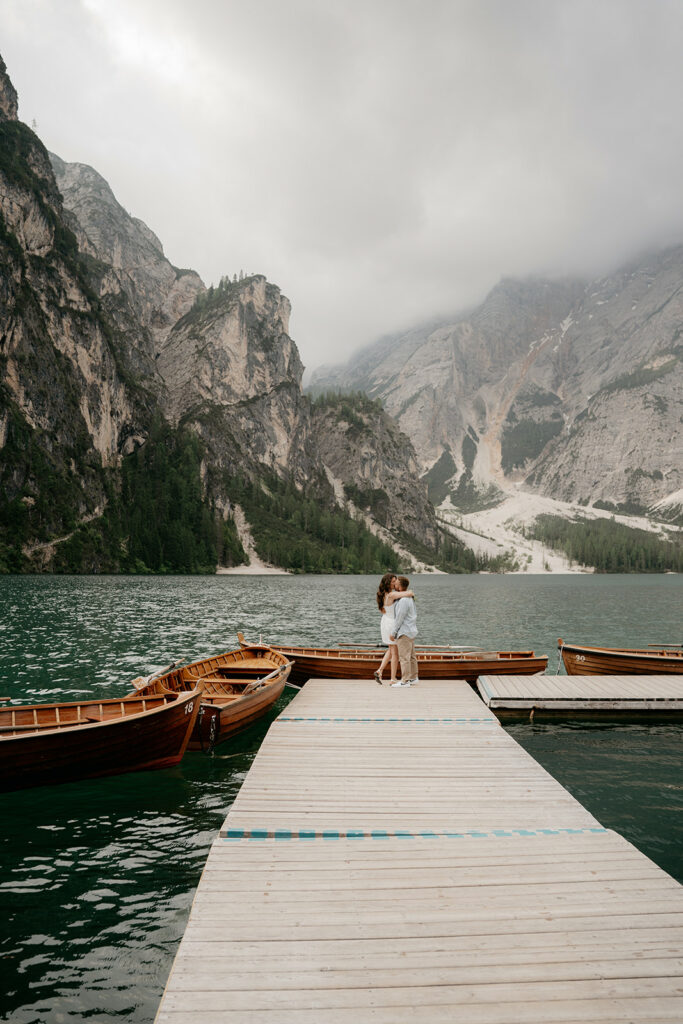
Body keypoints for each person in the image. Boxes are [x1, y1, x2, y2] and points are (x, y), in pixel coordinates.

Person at [374, 574, 415, 685]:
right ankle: (392, 679)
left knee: (391, 650)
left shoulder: (383, 594)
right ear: (388, 583)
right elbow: (409, 593)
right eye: (393, 582)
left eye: (396, 581)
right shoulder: (391, 595)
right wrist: (410, 592)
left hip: (385, 621)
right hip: (391, 623)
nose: (395, 583)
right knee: (395, 653)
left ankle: (380, 670)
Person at [390, 576, 418, 687]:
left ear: (400, 587)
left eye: (396, 584)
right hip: (411, 630)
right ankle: (413, 677)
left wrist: (393, 632)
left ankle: (405, 681)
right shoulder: (409, 598)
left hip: (404, 632)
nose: (394, 586)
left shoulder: (403, 601)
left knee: (404, 657)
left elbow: (399, 618)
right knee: (411, 656)